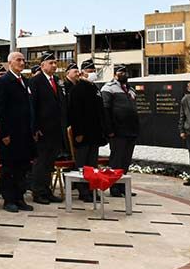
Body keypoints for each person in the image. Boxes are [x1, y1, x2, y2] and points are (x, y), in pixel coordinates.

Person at [0, 52, 35, 213]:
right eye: (18, 60)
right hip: (10, 133)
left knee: (22, 167)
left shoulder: (25, 81)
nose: (22, 62)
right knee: (9, 168)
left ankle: (19, 197)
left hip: (25, 132)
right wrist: (4, 133)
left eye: (23, 60)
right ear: (10, 62)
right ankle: (9, 199)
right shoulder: (3, 81)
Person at [67, 59, 105, 202]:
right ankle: (83, 191)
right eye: (89, 71)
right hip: (83, 134)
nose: (92, 74)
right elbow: (75, 114)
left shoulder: (94, 88)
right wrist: (78, 133)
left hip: (95, 133)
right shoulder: (77, 89)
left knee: (92, 164)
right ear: (82, 72)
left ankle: (92, 189)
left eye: (93, 71)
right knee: (82, 164)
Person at [30, 53, 65, 204]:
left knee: (50, 162)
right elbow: (32, 106)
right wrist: (35, 127)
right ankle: (38, 192)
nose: (54, 65)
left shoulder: (56, 81)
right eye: (51, 62)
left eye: (55, 63)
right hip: (42, 129)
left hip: (55, 129)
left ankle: (47, 190)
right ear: (43, 65)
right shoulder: (35, 81)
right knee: (41, 162)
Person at [101, 64, 139, 197]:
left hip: (131, 130)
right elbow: (105, 110)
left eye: (125, 72)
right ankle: (114, 187)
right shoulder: (108, 88)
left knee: (126, 160)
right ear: (115, 74)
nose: (124, 74)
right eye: (121, 72)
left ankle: (123, 186)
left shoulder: (131, 90)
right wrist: (109, 129)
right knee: (116, 160)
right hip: (117, 131)